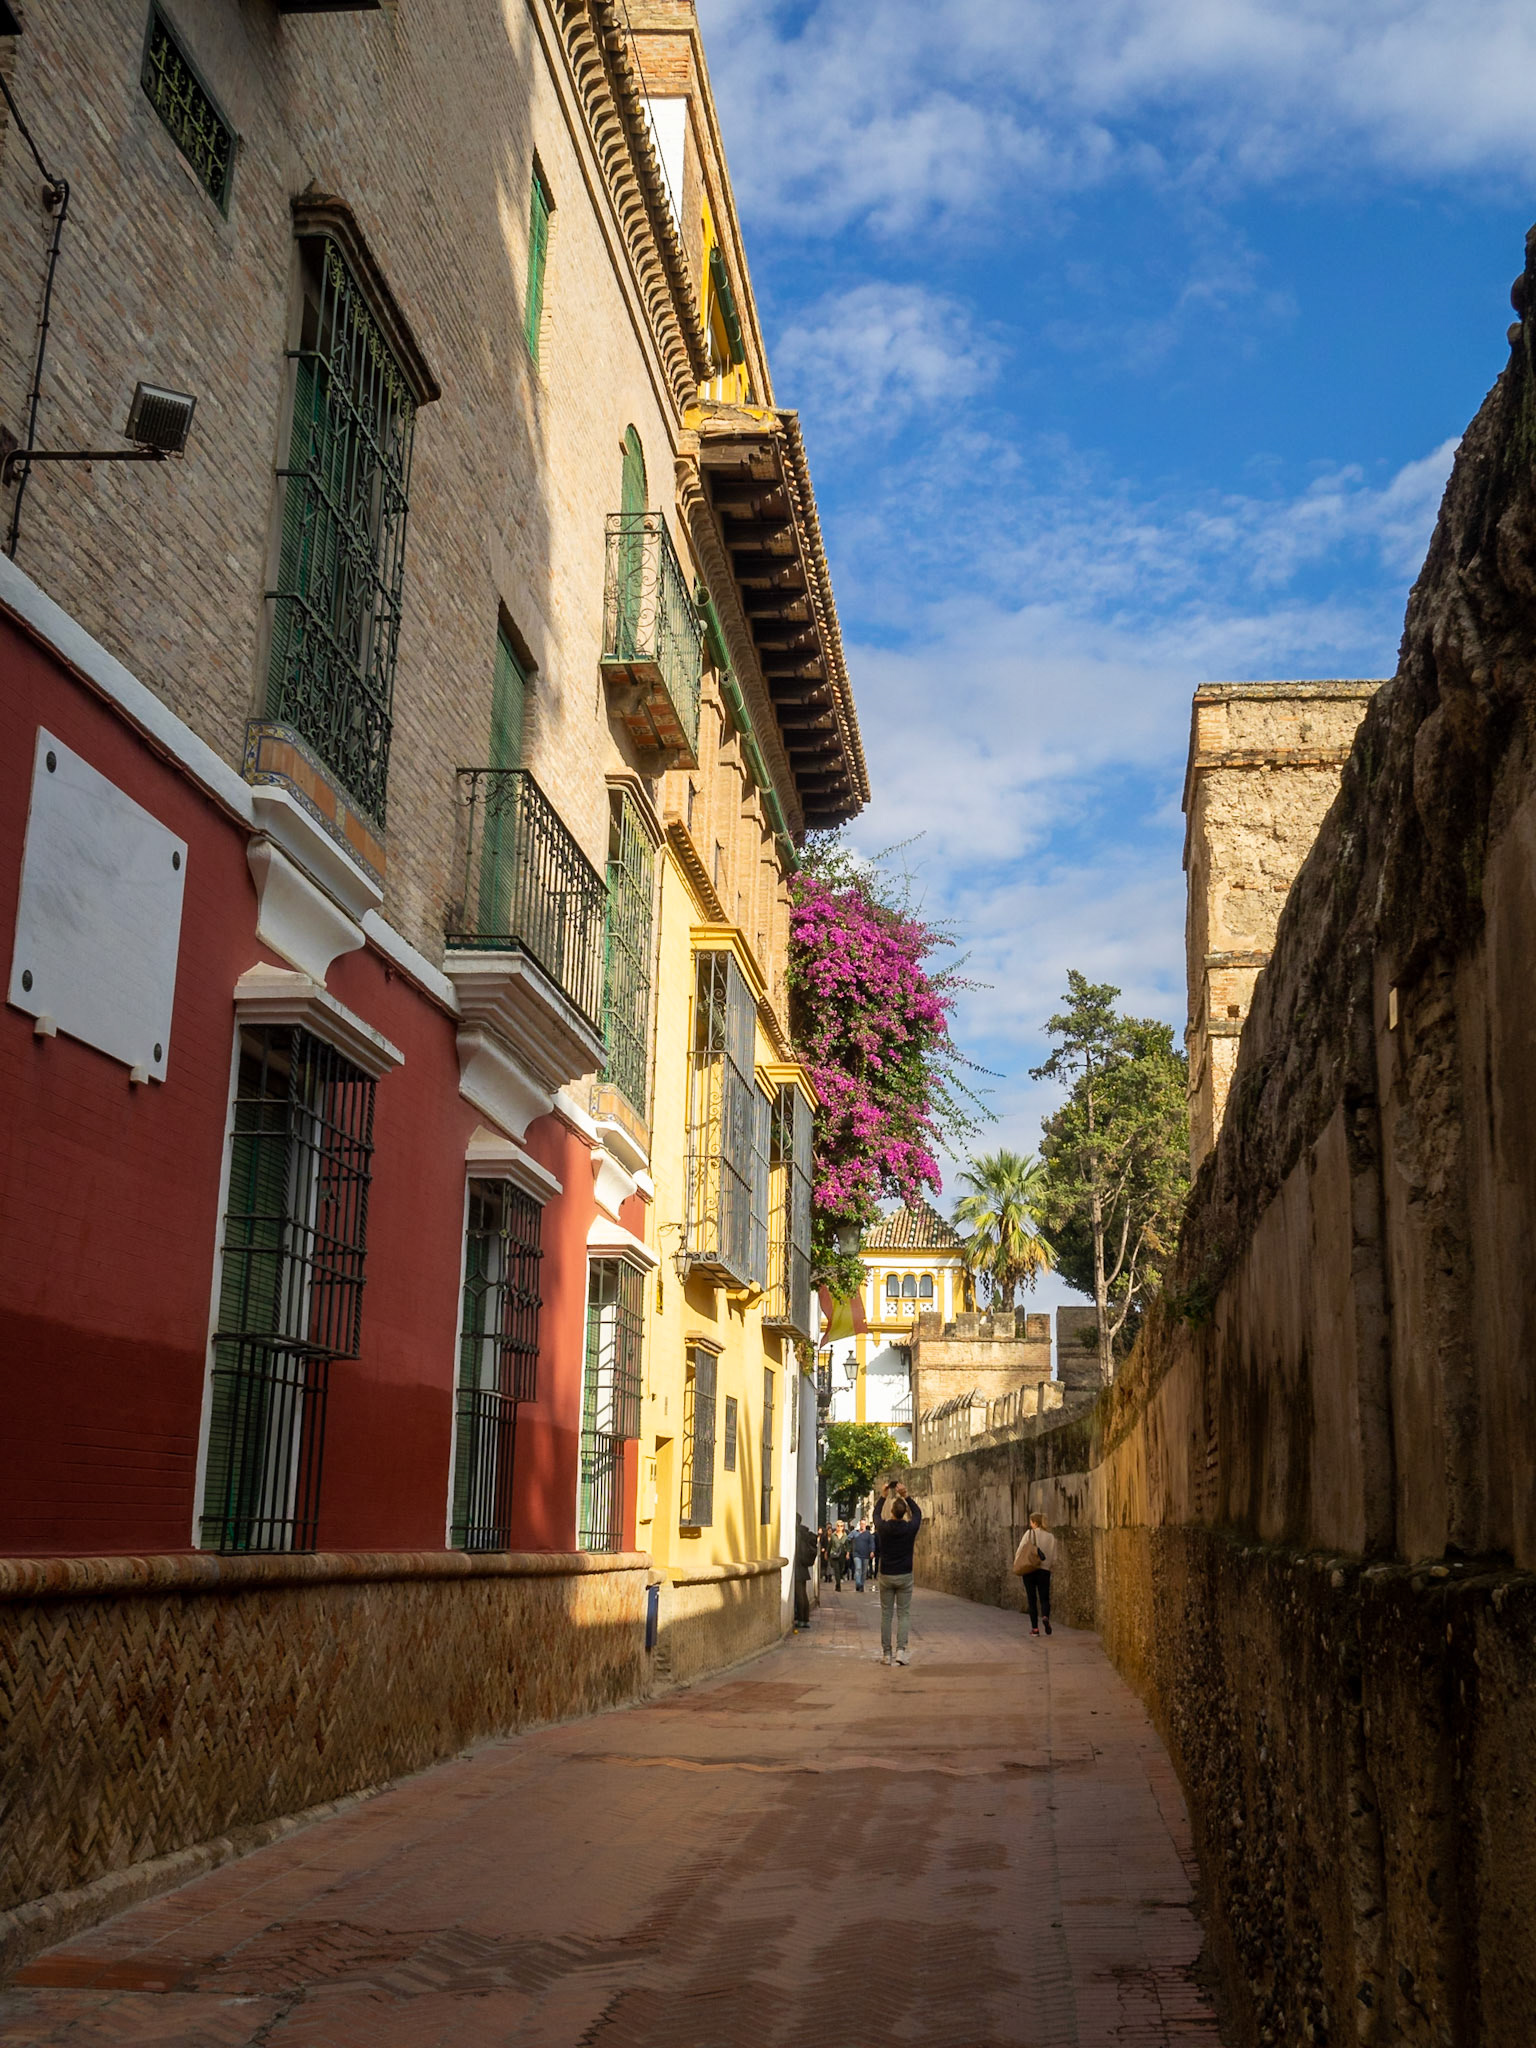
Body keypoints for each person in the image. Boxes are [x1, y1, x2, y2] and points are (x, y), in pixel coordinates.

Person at [872, 1480, 922, 1665]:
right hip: (905, 1574)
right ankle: (901, 1651)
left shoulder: (884, 1528)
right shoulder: (910, 1529)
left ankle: (887, 1653)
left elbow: (875, 1514)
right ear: (903, 1514)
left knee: (886, 1615)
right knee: (904, 1614)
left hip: (886, 1574)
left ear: (892, 1512)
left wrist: (883, 1496)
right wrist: (905, 1495)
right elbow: (918, 1514)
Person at [1014, 1511, 1058, 1637]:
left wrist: (1017, 1563)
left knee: (1031, 1599)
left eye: (1031, 1522)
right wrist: (1050, 1568)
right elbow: (1054, 1557)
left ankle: (1035, 1629)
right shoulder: (1051, 1537)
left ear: (1034, 1522)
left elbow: (1021, 1550)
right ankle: (1045, 1616)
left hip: (1030, 1570)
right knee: (1044, 1598)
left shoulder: (1029, 1533)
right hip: (1044, 1571)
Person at [794, 1515, 817, 1630]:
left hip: (798, 1566)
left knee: (800, 1595)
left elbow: (796, 1550)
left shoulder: (797, 1534)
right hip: (803, 1567)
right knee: (803, 1594)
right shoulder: (804, 1532)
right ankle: (805, 1619)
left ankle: (802, 1620)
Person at [850, 1518, 875, 1592]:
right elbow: (847, 1539)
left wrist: (872, 1551)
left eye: (864, 1524)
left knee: (864, 1571)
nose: (862, 1525)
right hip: (856, 1554)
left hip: (866, 1555)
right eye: (861, 1524)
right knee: (858, 1568)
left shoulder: (868, 1534)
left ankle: (861, 1585)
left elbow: (871, 1543)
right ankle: (858, 1583)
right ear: (859, 1524)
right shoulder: (855, 1533)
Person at [830, 1521, 852, 1591]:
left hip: (842, 1555)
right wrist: (827, 1554)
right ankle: (838, 1585)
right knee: (836, 1570)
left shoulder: (845, 1536)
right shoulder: (833, 1535)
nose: (840, 1527)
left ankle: (838, 1583)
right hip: (834, 1555)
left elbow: (848, 1546)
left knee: (840, 1570)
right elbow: (830, 1545)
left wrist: (848, 1553)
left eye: (841, 1526)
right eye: (838, 1526)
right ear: (836, 1526)